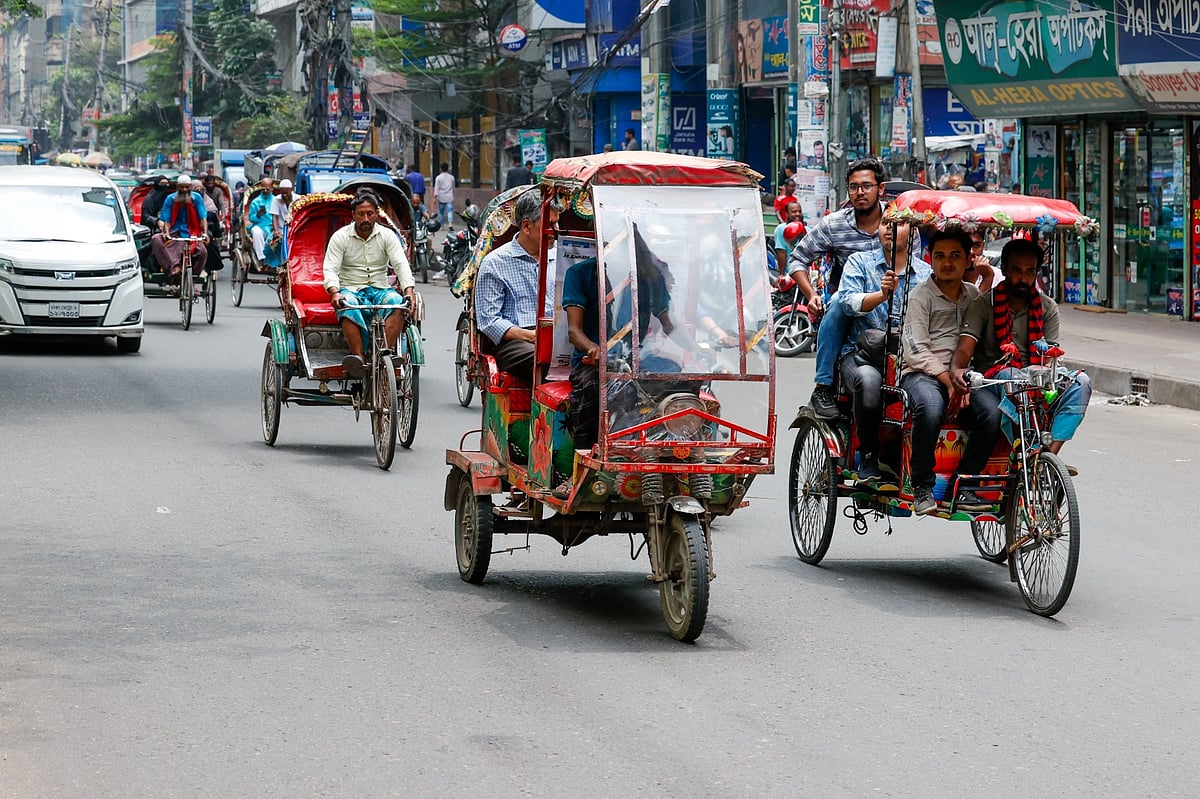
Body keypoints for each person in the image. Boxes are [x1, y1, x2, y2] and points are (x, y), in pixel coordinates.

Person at [790, 157, 918, 418]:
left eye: (867, 186)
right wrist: (811, 295)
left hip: (895, 308)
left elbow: (915, 268)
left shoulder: (901, 222)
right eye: (854, 187)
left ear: (880, 189)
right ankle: (822, 386)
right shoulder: (834, 225)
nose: (860, 192)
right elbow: (797, 258)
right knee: (839, 300)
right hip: (850, 308)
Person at [951, 238, 1091, 463]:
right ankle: (1028, 448)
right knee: (1013, 378)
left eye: (1030, 271)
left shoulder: (1047, 307)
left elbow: (1050, 358)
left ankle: (1045, 458)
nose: (1024, 278)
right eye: (1017, 270)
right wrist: (957, 370)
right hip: (994, 378)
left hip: (1034, 375)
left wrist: (1047, 379)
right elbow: (964, 352)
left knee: (1080, 383)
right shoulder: (984, 304)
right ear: (1004, 269)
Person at [899, 229, 995, 515]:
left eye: (955, 256)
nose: (947, 263)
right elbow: (916, 350)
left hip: (964, 375)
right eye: (940, 256)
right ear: (930, 260)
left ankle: (963, 485)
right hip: (923, 374)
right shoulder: (920, 296)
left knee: (992, 413)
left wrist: (961, 380)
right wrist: (949, 381)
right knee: (930, 408)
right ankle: (922, 486)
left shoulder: (973, 295)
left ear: (968, 260)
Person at [835, 222, 931, 482]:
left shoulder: (925, 273)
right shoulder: (860, 262)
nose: (889, 229)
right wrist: (881, 294)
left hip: (910, 360)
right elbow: (846, 302)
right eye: (885, 224)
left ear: (912, 233)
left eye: (898, 225)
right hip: (862, 356)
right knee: (869, 382)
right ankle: (868, 455)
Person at [322, 191, 415, 377]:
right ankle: (358, 359)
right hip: (351, 290)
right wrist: (335, 292)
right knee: (348, 305)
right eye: (361, 214)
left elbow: (401, 265)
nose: (366, 218)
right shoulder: (340, 237)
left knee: (397, 304)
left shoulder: (387, 236)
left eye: (370, 214)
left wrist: (409, 291)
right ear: (353, 215)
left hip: (380, 289)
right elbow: (330, 268)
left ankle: (383, 355)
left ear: (377, 214)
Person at [475, 190, 543, 381]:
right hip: (516, 340)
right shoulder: (495, 262)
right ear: (527, 226)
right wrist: (531, 336)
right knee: (541, 359)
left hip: (557, 337)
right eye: (548, 226)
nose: (554, 232)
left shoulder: (561, 257)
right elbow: (489, 321)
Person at [150, 175, 208, 280]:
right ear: (177, 187)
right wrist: (167, 234)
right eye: (182, 187)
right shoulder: (170, 199)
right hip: (175, 231)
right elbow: (166, 220)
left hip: (193, 232)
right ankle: (174, 267)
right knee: (156, 239)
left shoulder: (197, 198)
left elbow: (203, 218)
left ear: (190, 187)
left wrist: (204, 233)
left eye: (187, 187)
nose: (185, 190)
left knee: (203, 252)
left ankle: (193, 280)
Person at [247, 177, 277, 269]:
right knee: (256, 231)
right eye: (263, 189)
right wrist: (258, 215)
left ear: (272, 188)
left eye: (267, 189)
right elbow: (251, 218)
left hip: (274, 227)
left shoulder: (277, 200)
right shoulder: (256, 202)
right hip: (261, 227)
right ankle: (262, 259)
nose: (265, 191)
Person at [267, 178, 295, 264]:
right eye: (282, 193)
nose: (284, 195)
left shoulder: (298, 199)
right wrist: (275, 231)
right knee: (270, 243)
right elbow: (275, 217)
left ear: (291, 190)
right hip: (280, 230)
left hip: (294, 230)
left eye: (286, 193)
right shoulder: (276, 200)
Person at [773, 200, 805, 269]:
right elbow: (781, 252)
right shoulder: (781, 229)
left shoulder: (807, 229)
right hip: (789, 273)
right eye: (794, 212)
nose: (798, 214)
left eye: (799, 211)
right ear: (787, 214)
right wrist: (782, 274)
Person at [434, 163, 455, 228]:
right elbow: (453, 187)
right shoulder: (451, 177)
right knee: (450, 211)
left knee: (441, 211)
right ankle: (450, 223)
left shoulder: (438, 178)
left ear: (441, 169)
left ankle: (441, 225)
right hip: (449, 196)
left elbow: (436, 188)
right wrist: (453, 193)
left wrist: (435, 197)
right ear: (447, 168)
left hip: (441, 196)